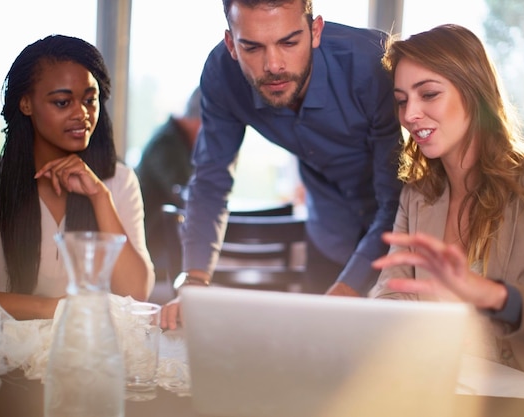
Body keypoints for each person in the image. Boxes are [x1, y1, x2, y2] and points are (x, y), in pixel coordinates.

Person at [369, 24, 524, 402]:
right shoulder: (418, 194)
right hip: (451, 396)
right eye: (401, 100)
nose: (410, 114)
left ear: (474, 92)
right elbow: (392, 293)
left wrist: (492, 295)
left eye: (428, 94)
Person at [160, 0, 402, 328]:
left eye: (289, 42)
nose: (273, 65)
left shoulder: (373, 65)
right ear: (232, 44)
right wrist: (194, 281)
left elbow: (395, 199)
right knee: (311, 357)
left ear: (315, 31)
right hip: (329, 229)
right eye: (252, 47)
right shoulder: (221, 75)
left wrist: (349, 288)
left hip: (398, 234)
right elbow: (210, 182)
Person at [0, 35, 155, 320]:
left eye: (89, 100)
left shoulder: (118, 181)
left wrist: (99, 197)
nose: (82, 114)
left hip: (86, 354)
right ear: (26, 103)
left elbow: (136, 293)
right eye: (62, 102)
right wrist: (57, 309)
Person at [135, 87, 201, 279]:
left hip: (167, 245)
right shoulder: (166, 145)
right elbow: (187, 197)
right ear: (202, 122)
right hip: (153, 250)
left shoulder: (177, 141)